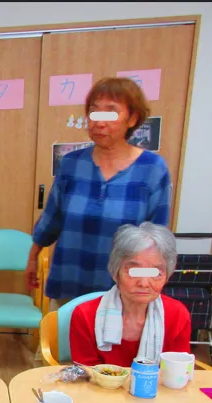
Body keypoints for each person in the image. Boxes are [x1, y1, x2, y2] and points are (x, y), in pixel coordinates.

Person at [26, 77, 172, 308]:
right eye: (94, 112)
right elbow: (52, 218)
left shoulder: (152, 169)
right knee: (64, 342)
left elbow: (157, 237)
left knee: (113, 345)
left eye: (110, 113)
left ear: (132, 119)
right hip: (70, 281)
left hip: (123, 291)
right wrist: (33, 256)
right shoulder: (72, 164)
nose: (99, 122)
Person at [69, 223, 191, 367]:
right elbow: (87, 372)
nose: (144, 283)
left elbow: (177, 370)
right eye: (134, 271)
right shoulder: (85, 315)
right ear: (116, 272)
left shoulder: (177, 315)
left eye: (156, 273)